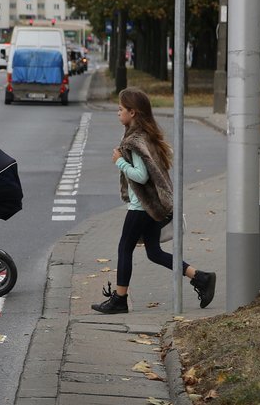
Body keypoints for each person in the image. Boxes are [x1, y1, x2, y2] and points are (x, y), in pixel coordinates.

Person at [92, 87, 216, 314]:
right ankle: (201, 277)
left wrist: (119, 161)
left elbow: (141, 175)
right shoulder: (144, 136)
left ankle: (120, 300)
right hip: (153, 207)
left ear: (133, 113)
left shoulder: (135, 141)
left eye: (120, 109)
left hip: (142, 206)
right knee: (153, 252)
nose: (117, 112)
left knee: (124, 249)